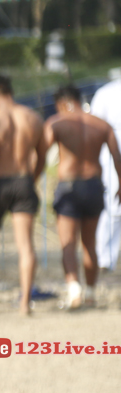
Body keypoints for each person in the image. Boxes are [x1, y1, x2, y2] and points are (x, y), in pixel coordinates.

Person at [0, 75, 47, 315]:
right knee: (26, 245)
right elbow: (42, 157)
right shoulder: (33, 118)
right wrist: (31, 180)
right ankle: (25, 303)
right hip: (24, 181)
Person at [44, 84, 121, 308]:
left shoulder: (58, 123)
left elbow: (40, 153)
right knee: (90, 243)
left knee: (68, 242)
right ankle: (90, 292)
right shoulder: (102, 125)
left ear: (62, 103)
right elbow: (117, 158)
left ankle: (74, 289)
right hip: (94, 186)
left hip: (69, 186)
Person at [88, 73, 121, 270]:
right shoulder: (106, 92)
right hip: (110, 154)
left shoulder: (104, 92)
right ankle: (105, 258)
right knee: (112, 208)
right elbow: (95, 126)